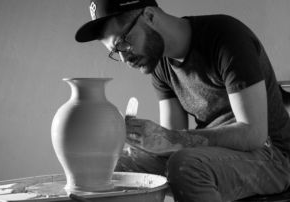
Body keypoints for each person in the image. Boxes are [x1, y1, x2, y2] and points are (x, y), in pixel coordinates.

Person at [75, 0, 290, 201]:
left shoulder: (225, 37)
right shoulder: (160, 65)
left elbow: (254, 133)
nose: (123, 58)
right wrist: (134, 138)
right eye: (115, 52)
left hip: (273, 156)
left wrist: (169, 138)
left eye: (122, 42)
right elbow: (171, 139)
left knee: (185, 165)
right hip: (215, 155)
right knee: (114, 163)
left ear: (149, 16)